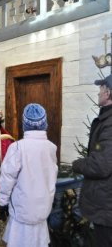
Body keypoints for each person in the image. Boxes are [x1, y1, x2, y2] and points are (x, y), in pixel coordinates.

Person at [0, 103, 58, 247]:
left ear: (25, 123)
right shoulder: (51, 147)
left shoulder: (17, 147)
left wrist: (3, 203)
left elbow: (7, 178)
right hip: (43, 206)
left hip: (22, 209)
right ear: (44, 123)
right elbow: (52, 176)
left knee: (19, 240)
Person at [72, 74, 112, 247]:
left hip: (106, 207)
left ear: (108, 92)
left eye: (101, 88)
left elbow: (101, 165)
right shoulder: (106, 120)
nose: (98, 92)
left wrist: (77, 164)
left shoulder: (110, 123)